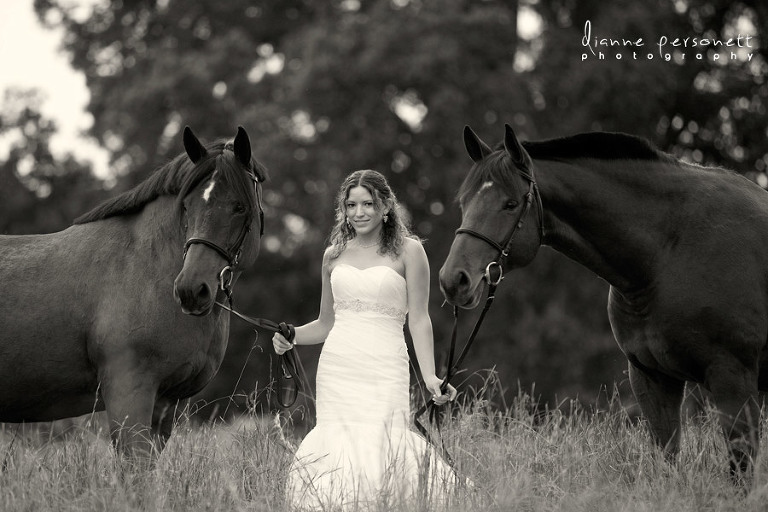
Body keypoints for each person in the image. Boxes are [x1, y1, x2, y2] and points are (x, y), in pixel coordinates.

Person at [272, 169, 459, 510]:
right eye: (351, 205)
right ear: (342, 210)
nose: (359, 212)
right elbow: (326, 323)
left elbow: (418, 319)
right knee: (336, 445)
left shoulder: (410, 252)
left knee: (385, 441)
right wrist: (292, 336)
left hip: (385, 364)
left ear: (386, 206)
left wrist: (431, 376)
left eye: (368, 204)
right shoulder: (333, 255)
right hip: (338, 366)